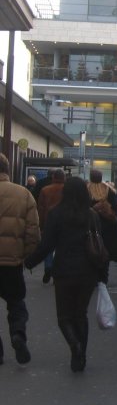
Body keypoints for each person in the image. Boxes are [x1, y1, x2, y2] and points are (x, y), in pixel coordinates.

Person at [25, 177, 104, 372]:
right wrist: (102, 274)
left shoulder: (56, 214)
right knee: (81, 314)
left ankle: (74, 346)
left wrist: (29, 262)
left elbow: (47, 245)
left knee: (64, 317)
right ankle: (81, 356)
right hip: (88, 273)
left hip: (64, 272)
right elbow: (100, 244)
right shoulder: (91, 215)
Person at [0, 153, 40, 365]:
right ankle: (17, 334)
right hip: (12, 263)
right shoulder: (23, 194)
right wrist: (26, 255)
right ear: (8, 170)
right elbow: (33, 231)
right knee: (16, 303)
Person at [87, 169, 117, 281]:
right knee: (105, 251)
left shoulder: (86, 189)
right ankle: (104, 276)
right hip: (108, 226)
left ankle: (94, 274)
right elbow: (116, 210)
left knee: (91, 249)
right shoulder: (109, 190)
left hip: (91, 226)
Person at [37, 168, 66, 284]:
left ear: (53, 178)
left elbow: (41, 208)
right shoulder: (67, 190)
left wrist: (41, 225)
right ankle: (58, 272)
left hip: (49, 222)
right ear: (64, 178)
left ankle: (48, 267)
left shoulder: (45, 190)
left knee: (48, 247)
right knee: (61, 248)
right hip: (64, 224)